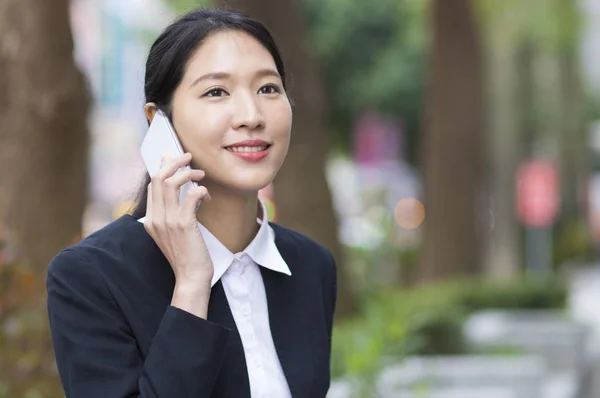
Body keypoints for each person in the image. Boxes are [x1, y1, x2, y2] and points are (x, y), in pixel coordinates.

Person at [46, 8, 337, 398]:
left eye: (268, 88)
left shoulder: (310, 267)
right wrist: (191, 287)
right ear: (158, 121)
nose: (251, 116)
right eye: (216, 91)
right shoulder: (90, 277)